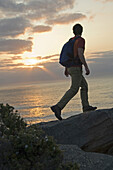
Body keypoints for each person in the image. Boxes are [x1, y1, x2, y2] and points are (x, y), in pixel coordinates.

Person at [51, 23, 97, 120]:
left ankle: (86, 106)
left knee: (84, 86)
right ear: (82, 31)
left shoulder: (71, 41)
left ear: (73, 31)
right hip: (76, 68)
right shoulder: (80, 40)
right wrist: (86, 67)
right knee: (74, 88)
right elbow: (80, 54)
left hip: (71, 67)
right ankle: (58, 107)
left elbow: (70, 55)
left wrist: (67, 68)